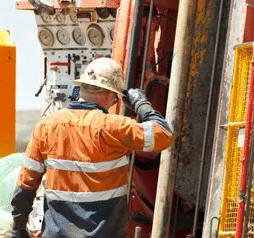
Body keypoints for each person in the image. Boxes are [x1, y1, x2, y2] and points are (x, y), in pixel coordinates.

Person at [10, 57, 174, 238]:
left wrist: (18, 228)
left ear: (81, 89)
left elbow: (25, 185)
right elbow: (164, 135)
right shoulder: (115, 127)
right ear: (109, 95)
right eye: (115, 99)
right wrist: (141, 103)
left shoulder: (45, 127)